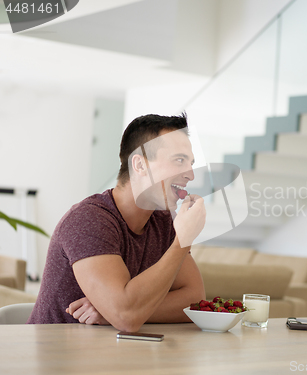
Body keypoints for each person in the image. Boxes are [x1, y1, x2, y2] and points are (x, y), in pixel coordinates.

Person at [28, 113, 206, 332]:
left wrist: (116, 312)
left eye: (190, 163)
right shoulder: (89, 220)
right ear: (140, 165)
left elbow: (195, 301)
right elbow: (126, 317)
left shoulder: (163, 222)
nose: (190, 175)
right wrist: (183, 240)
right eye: (179, 160)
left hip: (112, 357)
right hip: (57, 359)